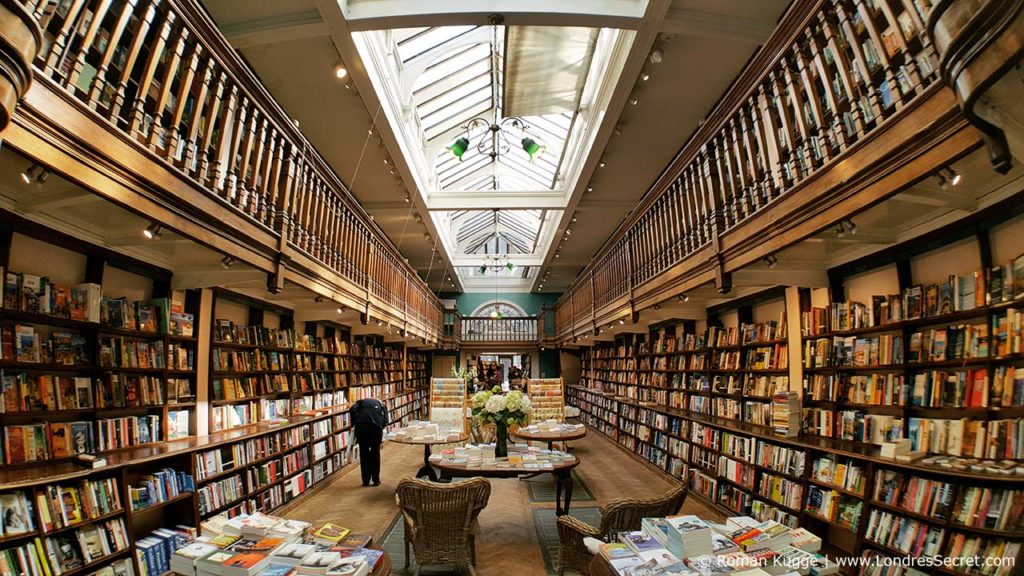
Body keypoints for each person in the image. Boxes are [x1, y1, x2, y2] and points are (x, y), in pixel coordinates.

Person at [349, 397, 388, 486]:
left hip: (361, 427)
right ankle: (376, 480)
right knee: (375, 452)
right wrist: (382, 425)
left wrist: (354, 422)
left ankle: (365, 481)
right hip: (376, 428)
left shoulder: (360, 402)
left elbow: (352, 409)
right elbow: (386, 419)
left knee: (364, 453)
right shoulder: (381, 404)